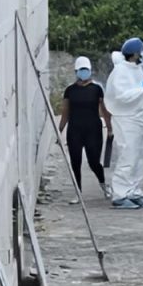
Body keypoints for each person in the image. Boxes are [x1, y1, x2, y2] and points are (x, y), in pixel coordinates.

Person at [105, 38, 143, 209]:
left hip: (138, 116)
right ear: (135, 53)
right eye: (141, 51)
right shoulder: (120, 71)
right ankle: (120, 194)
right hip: (125, 118)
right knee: (127, 156)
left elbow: (139, 91)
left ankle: (133, 190)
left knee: (139, 157)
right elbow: (122, 96)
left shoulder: (137, 69)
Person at [58, 56, 112, 202]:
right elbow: (65, 113)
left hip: (93, 130)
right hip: (75, 130)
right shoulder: (70, 90)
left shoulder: (96, 89)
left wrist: (110, 128)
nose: (83, 72)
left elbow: (104, 110)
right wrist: (59, 130)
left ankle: (103, 184)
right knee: (75, 161)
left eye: (85, 70)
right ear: (76, 72)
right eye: (81, 70)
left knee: (94, 162)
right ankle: (78, 192)